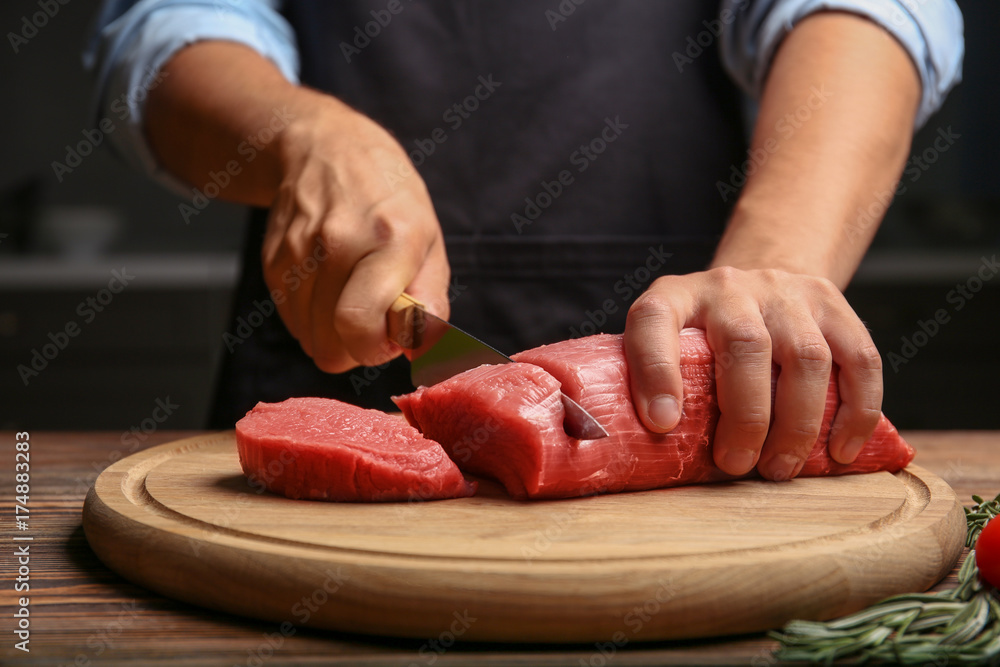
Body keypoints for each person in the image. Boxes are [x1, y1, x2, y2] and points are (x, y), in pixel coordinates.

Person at [87, 1, 963, 482]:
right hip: (333, 348)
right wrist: (301, 139)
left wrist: (779, 260)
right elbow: (161, 24)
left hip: (699, 347)